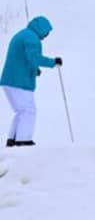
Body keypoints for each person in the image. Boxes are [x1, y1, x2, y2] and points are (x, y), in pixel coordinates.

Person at [1, 16, 60, 147]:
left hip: (11, 80)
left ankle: (13, 139)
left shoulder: (23, 35)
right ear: (41, 29)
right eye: (46, 32)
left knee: (22, 111)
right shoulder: (32, 38)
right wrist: (53, 62)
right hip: (18, 81)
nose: (46, 36)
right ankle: (23, 140)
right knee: (28, 110)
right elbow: (34, 58)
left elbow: (24, 58)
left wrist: (34, 70)